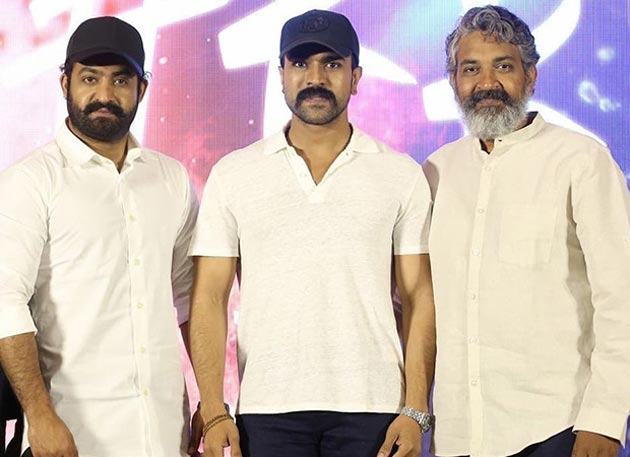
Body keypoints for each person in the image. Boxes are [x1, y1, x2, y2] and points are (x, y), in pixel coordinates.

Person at [188, 9, 436, 457]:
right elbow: (208, 297)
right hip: (267, 407)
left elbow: (419, 297)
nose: (315, 77)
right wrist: (214, 408)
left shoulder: (400, 174)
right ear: (281, 74)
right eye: (300, 63)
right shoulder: (235, 174)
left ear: (355, 77)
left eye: (332, 64)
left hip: (374, 408)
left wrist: (416, 408)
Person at [423, 5, 630, 457]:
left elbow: (621, 298)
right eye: (471, 69)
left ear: (530, 77)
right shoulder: (437, 171)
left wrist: (605, 420)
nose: (486, 83)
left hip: (557, 427)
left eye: (503, 66)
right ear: (454, 82)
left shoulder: (581, 161)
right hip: (458, 433)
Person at [0, 16, 200, 457]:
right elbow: (5, 302)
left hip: (164, 431)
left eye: (120, 80)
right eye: (90, 78)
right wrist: (39, 415)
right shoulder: (30, 182)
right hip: (72, 434)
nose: (105, 95)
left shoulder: (171, 180)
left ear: (141, 89)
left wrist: (213, 400)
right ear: (65, 83)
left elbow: (190, 300)